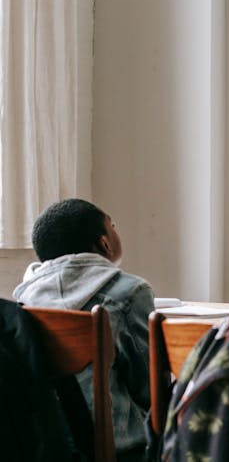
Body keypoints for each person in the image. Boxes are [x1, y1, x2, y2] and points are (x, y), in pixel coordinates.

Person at [13, 198, 155, 462]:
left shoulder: (24, 298)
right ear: (105, 243)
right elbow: (150, 387)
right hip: (121, 446)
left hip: (51, 441)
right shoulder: (129, 292)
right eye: (113, 226)